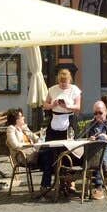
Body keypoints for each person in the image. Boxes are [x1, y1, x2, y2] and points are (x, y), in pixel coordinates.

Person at [38, 67, 81, 196]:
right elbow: (45, 105)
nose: (63, 84)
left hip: (69, 120)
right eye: (61, 82)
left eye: (65, 82)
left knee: (69, 151)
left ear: (69, 80)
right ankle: (46, 182)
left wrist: (67, 106)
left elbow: (78, 107)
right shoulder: (52, 89)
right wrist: (52, 105)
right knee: (49, 151)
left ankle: (70, 181)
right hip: (55, 120)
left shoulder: (75, 90)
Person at [83, 100, 107, 199]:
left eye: (100, 113)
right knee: (97, 153)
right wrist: (89, 139)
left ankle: (98, 186)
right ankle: (105, 170)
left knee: (101, 142)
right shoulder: (89, 125)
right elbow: (79, 139)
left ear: (106, 111)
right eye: (95, 113)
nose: (98, 115)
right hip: (93, 153)